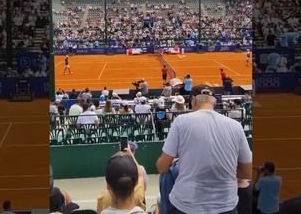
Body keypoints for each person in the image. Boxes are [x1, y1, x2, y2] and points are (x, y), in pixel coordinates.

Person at [156, 85, 252, 213]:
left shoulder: (181, 122)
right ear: (215, 102)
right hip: (226, 205)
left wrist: (183, 163)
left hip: (186, 205)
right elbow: (247, 172)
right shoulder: (236, 126)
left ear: (193, 101)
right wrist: (222, 170)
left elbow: (162, 167)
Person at [99, 149, 147, 214]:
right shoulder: (139, 194)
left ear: (108, 185)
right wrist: (131, 154)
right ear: (136, 183)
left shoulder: (102, 199)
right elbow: (140, 175)